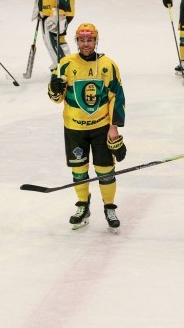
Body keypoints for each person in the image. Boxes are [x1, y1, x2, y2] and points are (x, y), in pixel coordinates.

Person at [48, 23, 126, 230]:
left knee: (105, 170)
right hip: (74, 128)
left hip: (101, 128)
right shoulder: (65, 64)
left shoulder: (108, 65)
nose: (86, 44)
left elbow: (117, 97)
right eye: (82, 40)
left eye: (89, 40)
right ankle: (83, 205)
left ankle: (109, 207)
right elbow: (56, 99)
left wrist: (114, 128)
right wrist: (53, 88)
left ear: (96, 41)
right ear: (77, 42)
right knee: (79, 169)